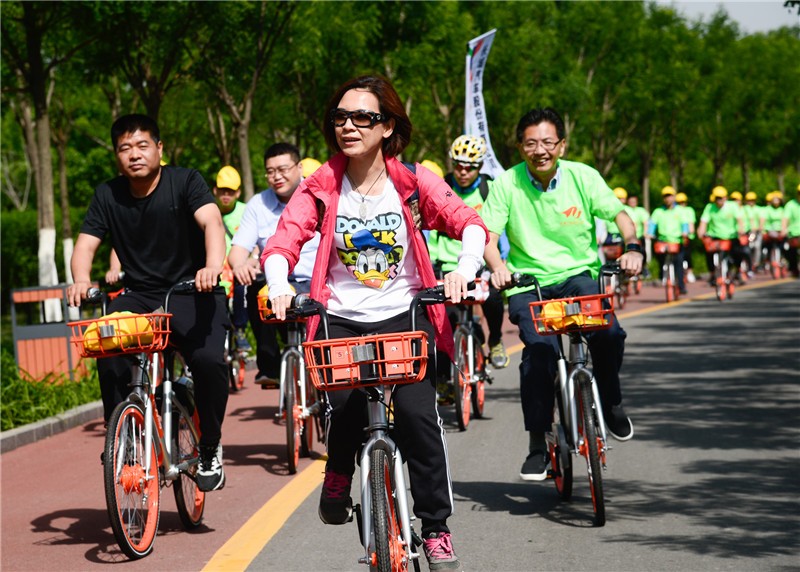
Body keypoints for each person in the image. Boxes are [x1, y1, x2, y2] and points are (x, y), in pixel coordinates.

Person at [262, 75, 487, 571]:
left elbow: (467, 221)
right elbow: (283, 241)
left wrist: (464, 269)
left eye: (363, 117)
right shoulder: (320, 185)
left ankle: (435, 529)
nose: (349, 125)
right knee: (342, 408)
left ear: (387, 126)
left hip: (405, 316)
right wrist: (279, 283)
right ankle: (339, 474)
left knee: (417, 417)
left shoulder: (411, 181)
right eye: (341, 117)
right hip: (340, 317)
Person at [66, 113, 229, 492]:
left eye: (142, 146)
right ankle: (120, 434)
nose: (134, 155)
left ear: (159, 149)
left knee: (207, 362)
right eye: (125, 148)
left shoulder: (185, 180)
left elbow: (212, 223)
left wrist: (211, 267)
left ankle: (209, 446)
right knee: (105, 346)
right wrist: (79, 280)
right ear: (117, 156)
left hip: (193, 288)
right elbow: (86, 244)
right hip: (139, 295)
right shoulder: (107, 194)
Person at [480, 107, 642, 483]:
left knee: (611, 332)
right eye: (531, 143)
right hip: (528, 282)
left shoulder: (583, 177)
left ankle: (612, 401)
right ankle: (538, 443)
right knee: (538, 353)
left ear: (562, 145)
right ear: (520, 147)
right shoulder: (507, 183)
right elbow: (488, 235)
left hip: (578, 277)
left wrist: (633, 247)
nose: (540, 150)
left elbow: (620, 215)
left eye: (548, 142)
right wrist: (497, 267)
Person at [227, 143, 320, 386]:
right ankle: (270, 367)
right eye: (270, 171)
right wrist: (240, 266)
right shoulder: (258, 204)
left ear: (299, 167)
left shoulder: (320, 195)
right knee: (253, 288)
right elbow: (238, 250)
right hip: (276, 283)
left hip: (315, 280)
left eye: (283, 169)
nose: (276, 177)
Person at [427, 134, 510, 370]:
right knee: (441, 317)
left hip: (481, 261)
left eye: (470, 167)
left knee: (493, 298)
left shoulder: (490, 190)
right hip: (444, 263)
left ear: (480, 166)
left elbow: (499, 228)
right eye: (458, 166)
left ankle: (495, 339)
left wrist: (500, 262)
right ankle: (444, 376)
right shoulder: (440, 187)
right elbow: (427, 231)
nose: (463, 172)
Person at [213, 165, 252, 352]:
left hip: (237, 270)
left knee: (242, 288)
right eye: (222, 190)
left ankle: (241, 331)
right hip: (216, 271)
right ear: (215, 191)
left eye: (230, 191)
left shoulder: (246, 211)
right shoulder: (209, 212)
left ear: (238, 192)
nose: (225, 195)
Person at [697, 186, 746, 285]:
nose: (719, 200)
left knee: (738, 253)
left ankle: (738, 271)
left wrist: (740, 230)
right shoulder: (709, 207)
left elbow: (740, 220)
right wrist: (701, 232)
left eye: (721, 198)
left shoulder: (733, 206)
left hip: (731, 236)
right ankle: (713, 274)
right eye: (717, 198)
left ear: (725, 198)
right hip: (715, 237)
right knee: (709, 253)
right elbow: (704, 222)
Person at [648, 186, 688, 294]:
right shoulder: (658, 211)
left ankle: (681, 285)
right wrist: (650, 233)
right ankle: (662, 274)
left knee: (678, 262)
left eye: (670, 196)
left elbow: (685, 223)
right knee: (660, 257)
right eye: (665, 196)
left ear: (674, 197)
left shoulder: (680, 210)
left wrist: (685, 232)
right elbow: (652, 223)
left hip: (677, 241)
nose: (668, 198)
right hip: (662, 241)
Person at [627, 193, 651, 276]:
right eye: (631, 201)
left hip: (639, 236)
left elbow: (646, 222)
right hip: (628, 237)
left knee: (643, 252)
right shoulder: (625, 209)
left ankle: (644, 267)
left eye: (634, 201)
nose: (632, 202)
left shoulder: (641, 210)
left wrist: (646, 232)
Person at [676, 191, 697, 283]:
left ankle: (690, 272)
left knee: (687, 255)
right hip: (677, 237)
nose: (681, 204)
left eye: (683, 202)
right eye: (679, 202)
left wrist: (689, 231)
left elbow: (691, 223)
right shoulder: (675, 210)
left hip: (687, 237)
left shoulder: (689, 210)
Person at [743, 191, 765, 271]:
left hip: (756, 232)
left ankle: (756, 263)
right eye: (749, 200)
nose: (750, 202)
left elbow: (762, 219)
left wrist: (760, 228)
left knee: (757, 246)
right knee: (746, 247)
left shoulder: (758, 209)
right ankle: (746, 264)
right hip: (747, 232)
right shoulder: (744, 208)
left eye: (752, 200)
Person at [783, 185, 800, 277]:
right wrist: (783, 229)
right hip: (794, 234)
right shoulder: (790, 204)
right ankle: (793, 268)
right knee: (790, 251)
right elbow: (785, 218)